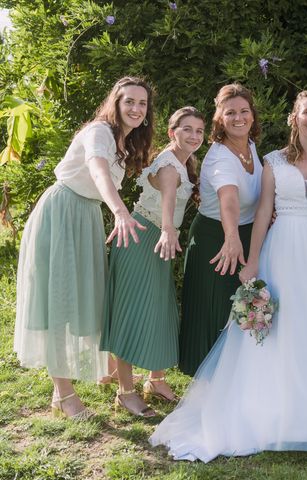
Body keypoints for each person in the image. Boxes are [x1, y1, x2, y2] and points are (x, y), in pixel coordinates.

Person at [150, 90, 307, 461]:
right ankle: (274, 402)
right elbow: (261, 211)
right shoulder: (273, 160)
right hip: (283, 249)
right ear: (294, 117)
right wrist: (253, 259)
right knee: (280, 326)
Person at [13, 76, 154, 419]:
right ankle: (63, 394)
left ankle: (101, 379)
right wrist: (119, 210)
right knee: (59, 301)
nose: (136, 108)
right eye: (129, 101)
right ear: (115, 103)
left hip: (86, 216)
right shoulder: (99, 132)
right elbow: (98, 170)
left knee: (84, 297)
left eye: (142, 103)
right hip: (62, 214)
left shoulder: (125, 141)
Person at [101, 107, 205, 416]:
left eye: (199, 131)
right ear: (173, 132)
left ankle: (156, 380)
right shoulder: (171, 165)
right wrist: (169, 229)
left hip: (156, 238)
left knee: (159, 308)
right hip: (143, 237)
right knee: (131, 311)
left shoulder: (186, 162)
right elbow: (169, 197)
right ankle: (125, 391)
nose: (194, 136)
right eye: (187, 129)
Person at [178, 84, 263, 376]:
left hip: (246, 235)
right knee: (216, 308)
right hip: (218, 237)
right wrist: (231, 239)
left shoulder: (250, 146)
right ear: (219, 118)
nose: (238, 118)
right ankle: (208, 376)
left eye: (244, 111)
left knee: (247, 305)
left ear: (252, 115)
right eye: (230, 113)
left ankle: (244, 373)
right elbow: (229, 200)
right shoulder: (220, 157)